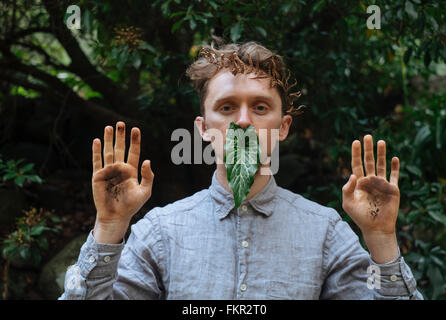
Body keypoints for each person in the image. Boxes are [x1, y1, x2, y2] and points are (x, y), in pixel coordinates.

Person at [59, 40, 422, 300]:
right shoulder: (159, 233)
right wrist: (108, 228)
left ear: (283, 127)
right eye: (228, 107)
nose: (244, 121)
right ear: (202, 128)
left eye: (261, 107)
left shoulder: (325, 232)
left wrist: (380, 238)